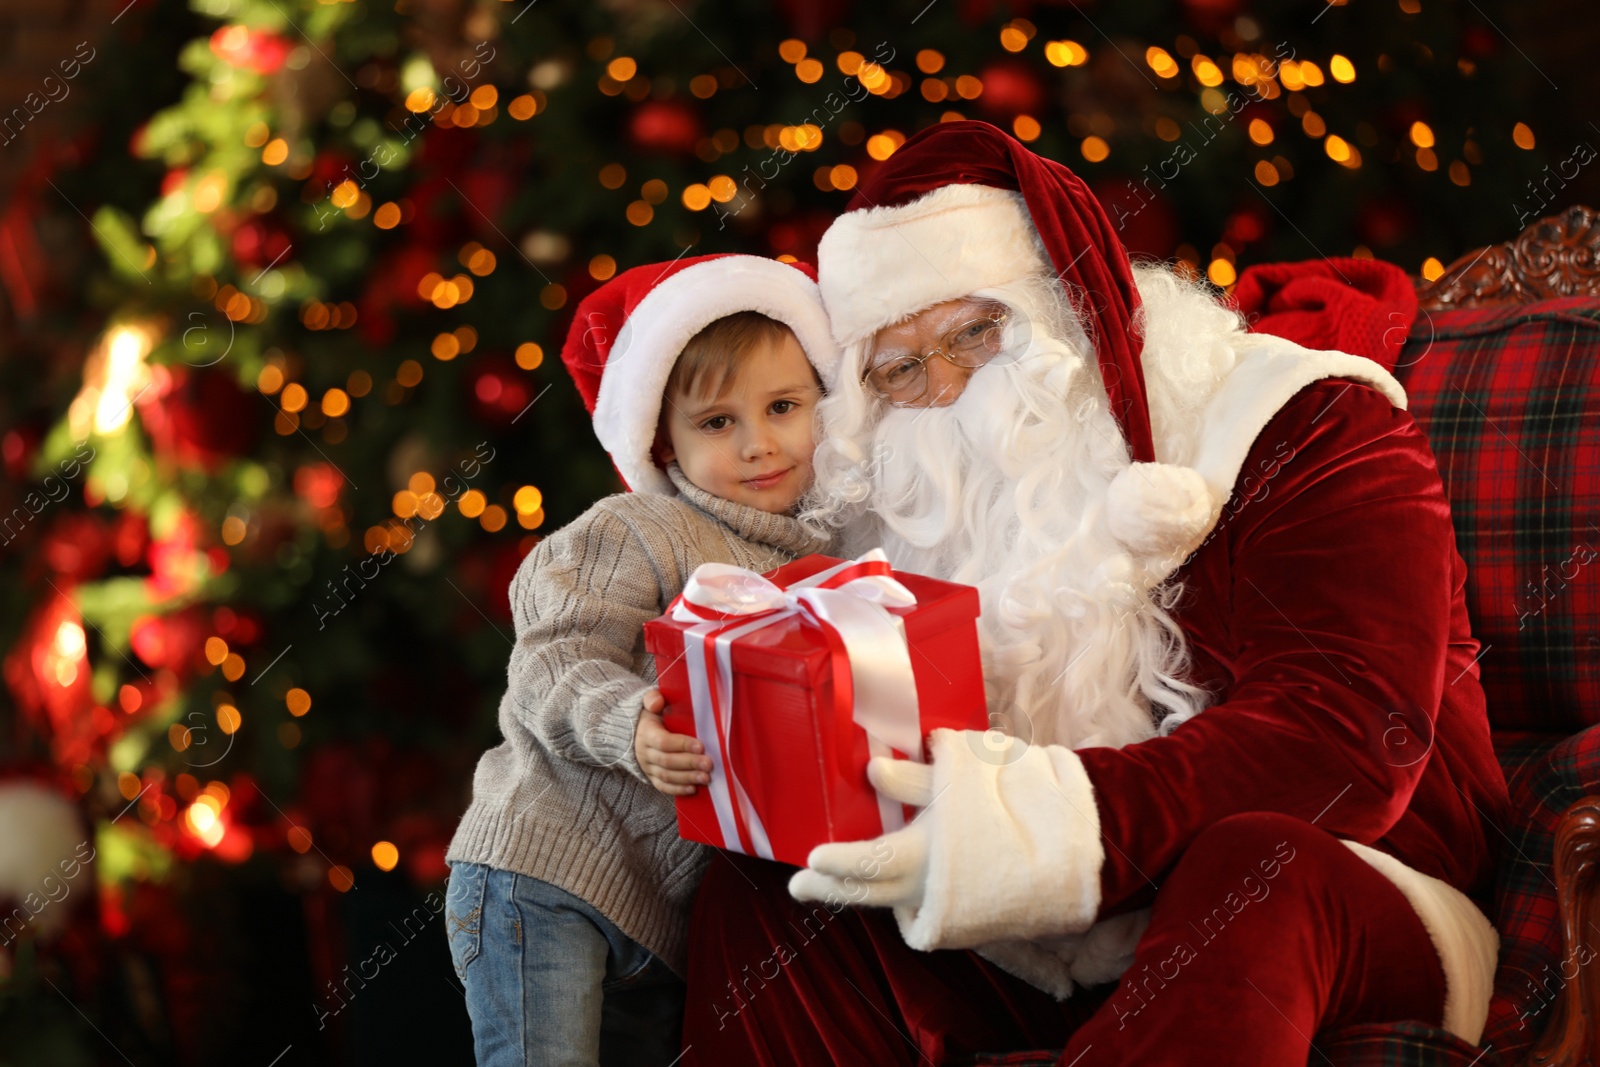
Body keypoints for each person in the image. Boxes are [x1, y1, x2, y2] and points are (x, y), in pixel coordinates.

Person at [681, 121, 1509, 1065]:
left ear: (1066, 305)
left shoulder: (1299, 418)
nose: (947, 387)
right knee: (777, 886)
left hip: (1365, 889)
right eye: (900, 370)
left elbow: (1348, 741)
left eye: (975, 331)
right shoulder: (889, 514)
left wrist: (1024, 826)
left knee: (1254, 866)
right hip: (1040, 947)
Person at [443, 253, 839, 1067]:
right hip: (542, 871)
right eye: (718, 422)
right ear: (666, 439)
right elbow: (551, 660)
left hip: (662, 917)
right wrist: (631, 721)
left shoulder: (827, 569)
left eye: (783, 406)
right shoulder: (639, 528)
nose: (760, 444)